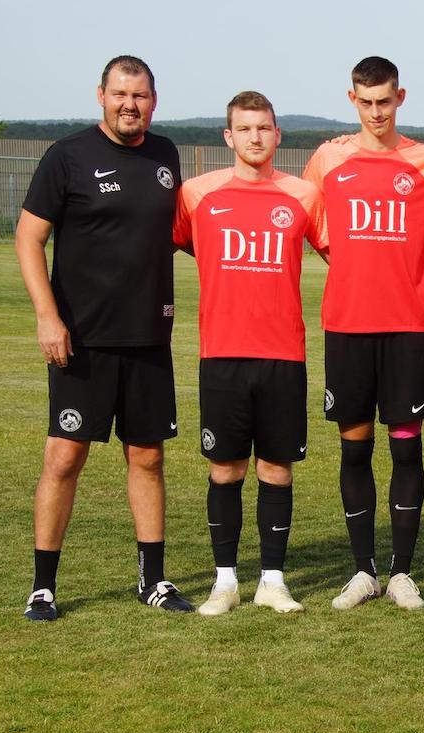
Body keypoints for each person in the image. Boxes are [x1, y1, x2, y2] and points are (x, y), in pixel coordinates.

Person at [15, 55, 191, 620]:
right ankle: (43, 587)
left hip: (148, 337)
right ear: (101, 96)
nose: (129, 105)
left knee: (148, 457)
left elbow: (181, 232)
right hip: (82, 340)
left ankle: (153, 580)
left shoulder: (166, 154)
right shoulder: (67, 155)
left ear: (154, 101)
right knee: (65, 457)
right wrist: (48, 317)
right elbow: (28, 238)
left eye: (139, 96)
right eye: (120, 94)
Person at [302, 56, 424, 610]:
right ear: (352, 100)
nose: (376, 112)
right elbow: (308, 221)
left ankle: (402, 573)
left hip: (405, 329)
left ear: (400, 98)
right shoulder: (328, 158)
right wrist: (351, 266)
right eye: (366, 102)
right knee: (355, 450)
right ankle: (362, 570)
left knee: (406, 451)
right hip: (347, 325)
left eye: (385, 101)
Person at [173, 91, 327, 615]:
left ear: (277, 134)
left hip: (284, 355)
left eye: (264, 128)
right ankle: (224, 582)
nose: (255, 137)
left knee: (276, 469)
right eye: (245, 128)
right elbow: (176, 243)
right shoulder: (197, 193)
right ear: (229, 136)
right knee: (225, 469)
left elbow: (342, 255)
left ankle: (273, 581)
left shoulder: (304, 194)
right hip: (222, 353)